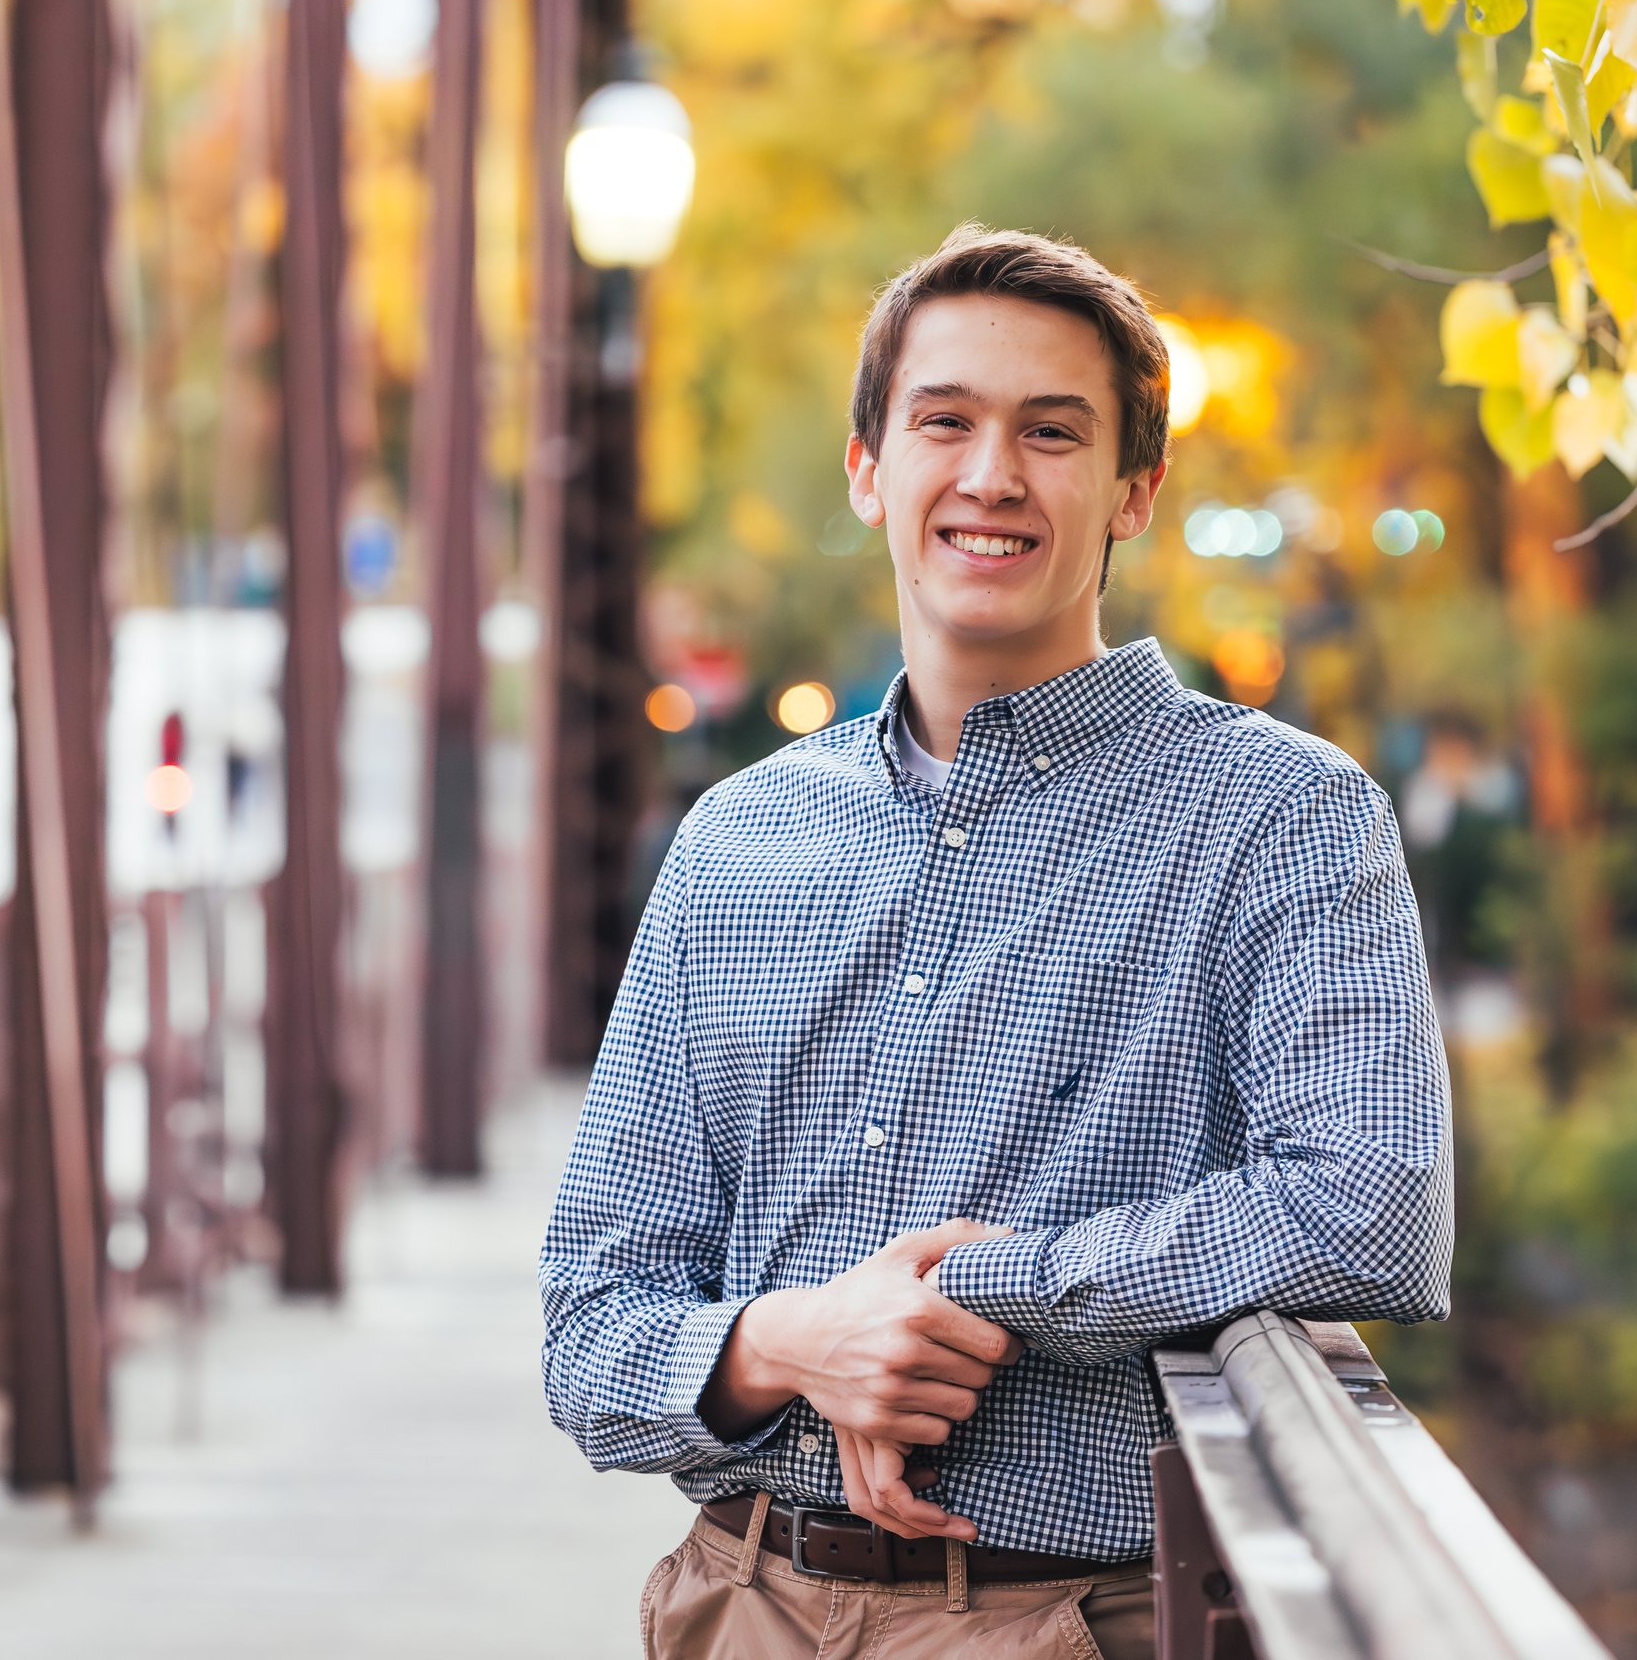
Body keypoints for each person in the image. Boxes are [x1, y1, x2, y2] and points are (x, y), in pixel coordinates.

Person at [540, 224, 1453, 1658]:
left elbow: (1368, 1210)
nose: (991, 476)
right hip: (735, 1603)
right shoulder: (735, 839)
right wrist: (796, 1340)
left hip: (1067, 1621)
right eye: (944, 421)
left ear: (1134, 490)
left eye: (1052, 431)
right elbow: (591, 1332)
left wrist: (978, 1290)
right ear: (869, 469)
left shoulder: (1282, 816)